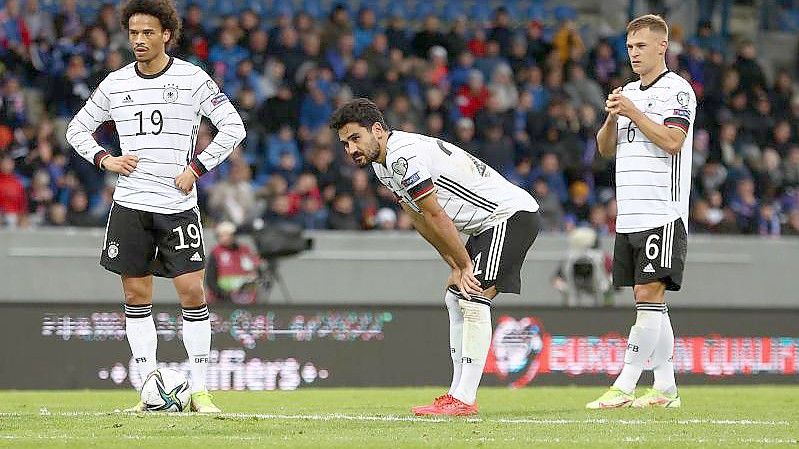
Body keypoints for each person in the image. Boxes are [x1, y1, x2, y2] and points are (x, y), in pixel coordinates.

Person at [64, 0, 245, 413]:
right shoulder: (114, 83)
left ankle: (199, 391)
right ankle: (148, 389)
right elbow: (77, 129)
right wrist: (105, 159)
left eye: (148, 32)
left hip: (177, 204)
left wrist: (196, 168)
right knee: (135, 293)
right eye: (133, 33)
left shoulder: (191, 78)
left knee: (192, 292)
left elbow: (233, 126)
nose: (140, 40)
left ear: (167, 34)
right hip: (129, 205)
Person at [329, 98, 540, 416]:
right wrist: (455, 265)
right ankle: (456, 394)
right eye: (345, 144)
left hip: (509, 215)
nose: (350, 149)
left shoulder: (403, 154)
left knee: (472, 295)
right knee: (456, 296)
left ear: (377, 130)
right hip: (485, 226)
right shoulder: (381, 165)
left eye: (355, 138)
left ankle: (464, 399)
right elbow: (419, 219)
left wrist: (465, 265)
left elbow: (437, 214)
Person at [587, 14, 695, 409]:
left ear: (662, 46)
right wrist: (614, 116)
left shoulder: (677, 91)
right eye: (630, 47)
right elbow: (604, 148)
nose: (634, 53)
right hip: (629, 214)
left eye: (642, 46)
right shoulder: (628, 93)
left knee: (648, 294)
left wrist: (632, 110)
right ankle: (665, 388)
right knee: (649, 301)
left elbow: (672, 141)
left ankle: (625, 384)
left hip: (661, 211)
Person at [205, 221, 260, 305]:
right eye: (223, 235)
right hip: (221, 299)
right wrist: (224, 294)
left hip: (245, 297)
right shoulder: (215, 252)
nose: (227, 238)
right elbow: (210, 279)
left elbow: (255, 271)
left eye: (229, 234)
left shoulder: (244, 251)